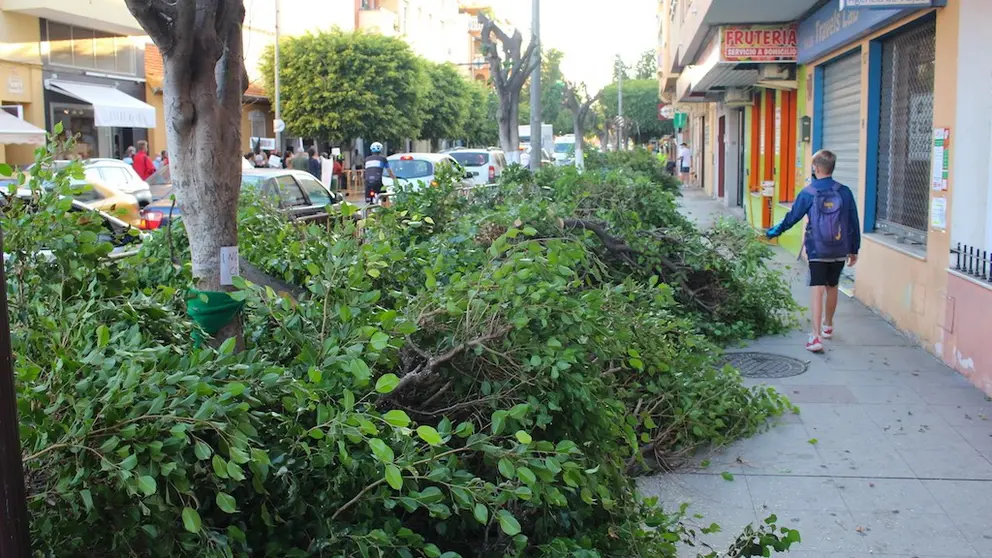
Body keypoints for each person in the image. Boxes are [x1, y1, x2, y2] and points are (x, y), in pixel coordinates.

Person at [765, 149, 861, 353]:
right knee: (832, 285)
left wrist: (775, 231)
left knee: (817, 287)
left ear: (816, 168)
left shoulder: (809, 192)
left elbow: (793, 217)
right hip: (839, 247)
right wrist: (854, 249)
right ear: (832, 168)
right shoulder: (844, 192)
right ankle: (828, 325)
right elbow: (853, 221)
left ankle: (815, 337)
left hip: (818, 247)